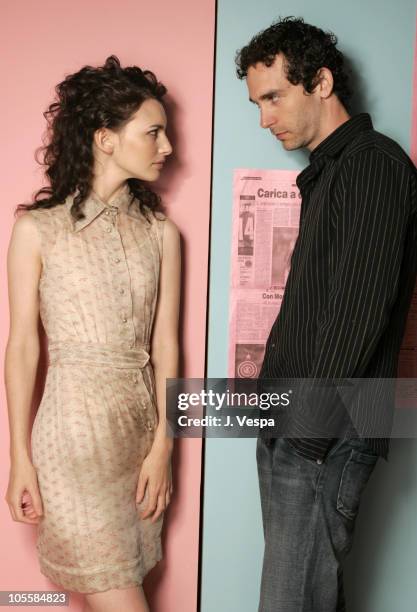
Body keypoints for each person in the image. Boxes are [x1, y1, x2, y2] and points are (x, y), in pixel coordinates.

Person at [235, 16, 417, 612]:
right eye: (257, 102)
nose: (264, 118)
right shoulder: (330, 172)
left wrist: (307, 435)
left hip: (323, 431)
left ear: (320, 82)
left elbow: (360, 312)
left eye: (273, 97)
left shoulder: (372, 164)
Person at [5, 55, 180, 612]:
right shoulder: (38, 230)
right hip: (72, 437)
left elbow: (166, 346)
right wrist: (19, 460)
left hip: (139, 434)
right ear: (105, 138)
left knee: (128, 581)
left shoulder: (162, 233)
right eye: (153, 132)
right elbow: (23, 345)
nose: (168, 147)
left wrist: (164, 447)